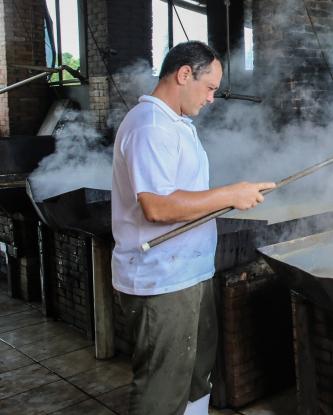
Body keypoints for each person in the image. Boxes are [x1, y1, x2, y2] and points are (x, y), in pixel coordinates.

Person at [111, 41, 274, 415]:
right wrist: (229, 194)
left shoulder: (176, 124)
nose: (212, 98)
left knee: (197, 375)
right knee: (162, 387)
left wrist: (231, 195)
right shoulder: (151, 126)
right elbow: (157, 206)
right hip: (161, 281)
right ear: (185, 74)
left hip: (189, 273)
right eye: (210, 87)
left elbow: (182, 194)